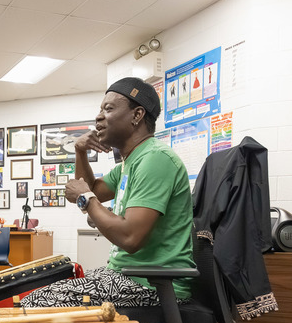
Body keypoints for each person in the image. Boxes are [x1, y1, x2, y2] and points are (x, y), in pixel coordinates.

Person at [21, 77, 195, 308]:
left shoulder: (155, 159)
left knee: (35, 302)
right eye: (100, 109)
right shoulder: (130, 162)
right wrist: (80, 151)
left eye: (109, 108)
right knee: (35, 288)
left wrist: (87, 199)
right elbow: (91, 189)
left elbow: (130, 238)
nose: (98, 116)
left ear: (137, 115)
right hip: (127, 275)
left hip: (153, 285)